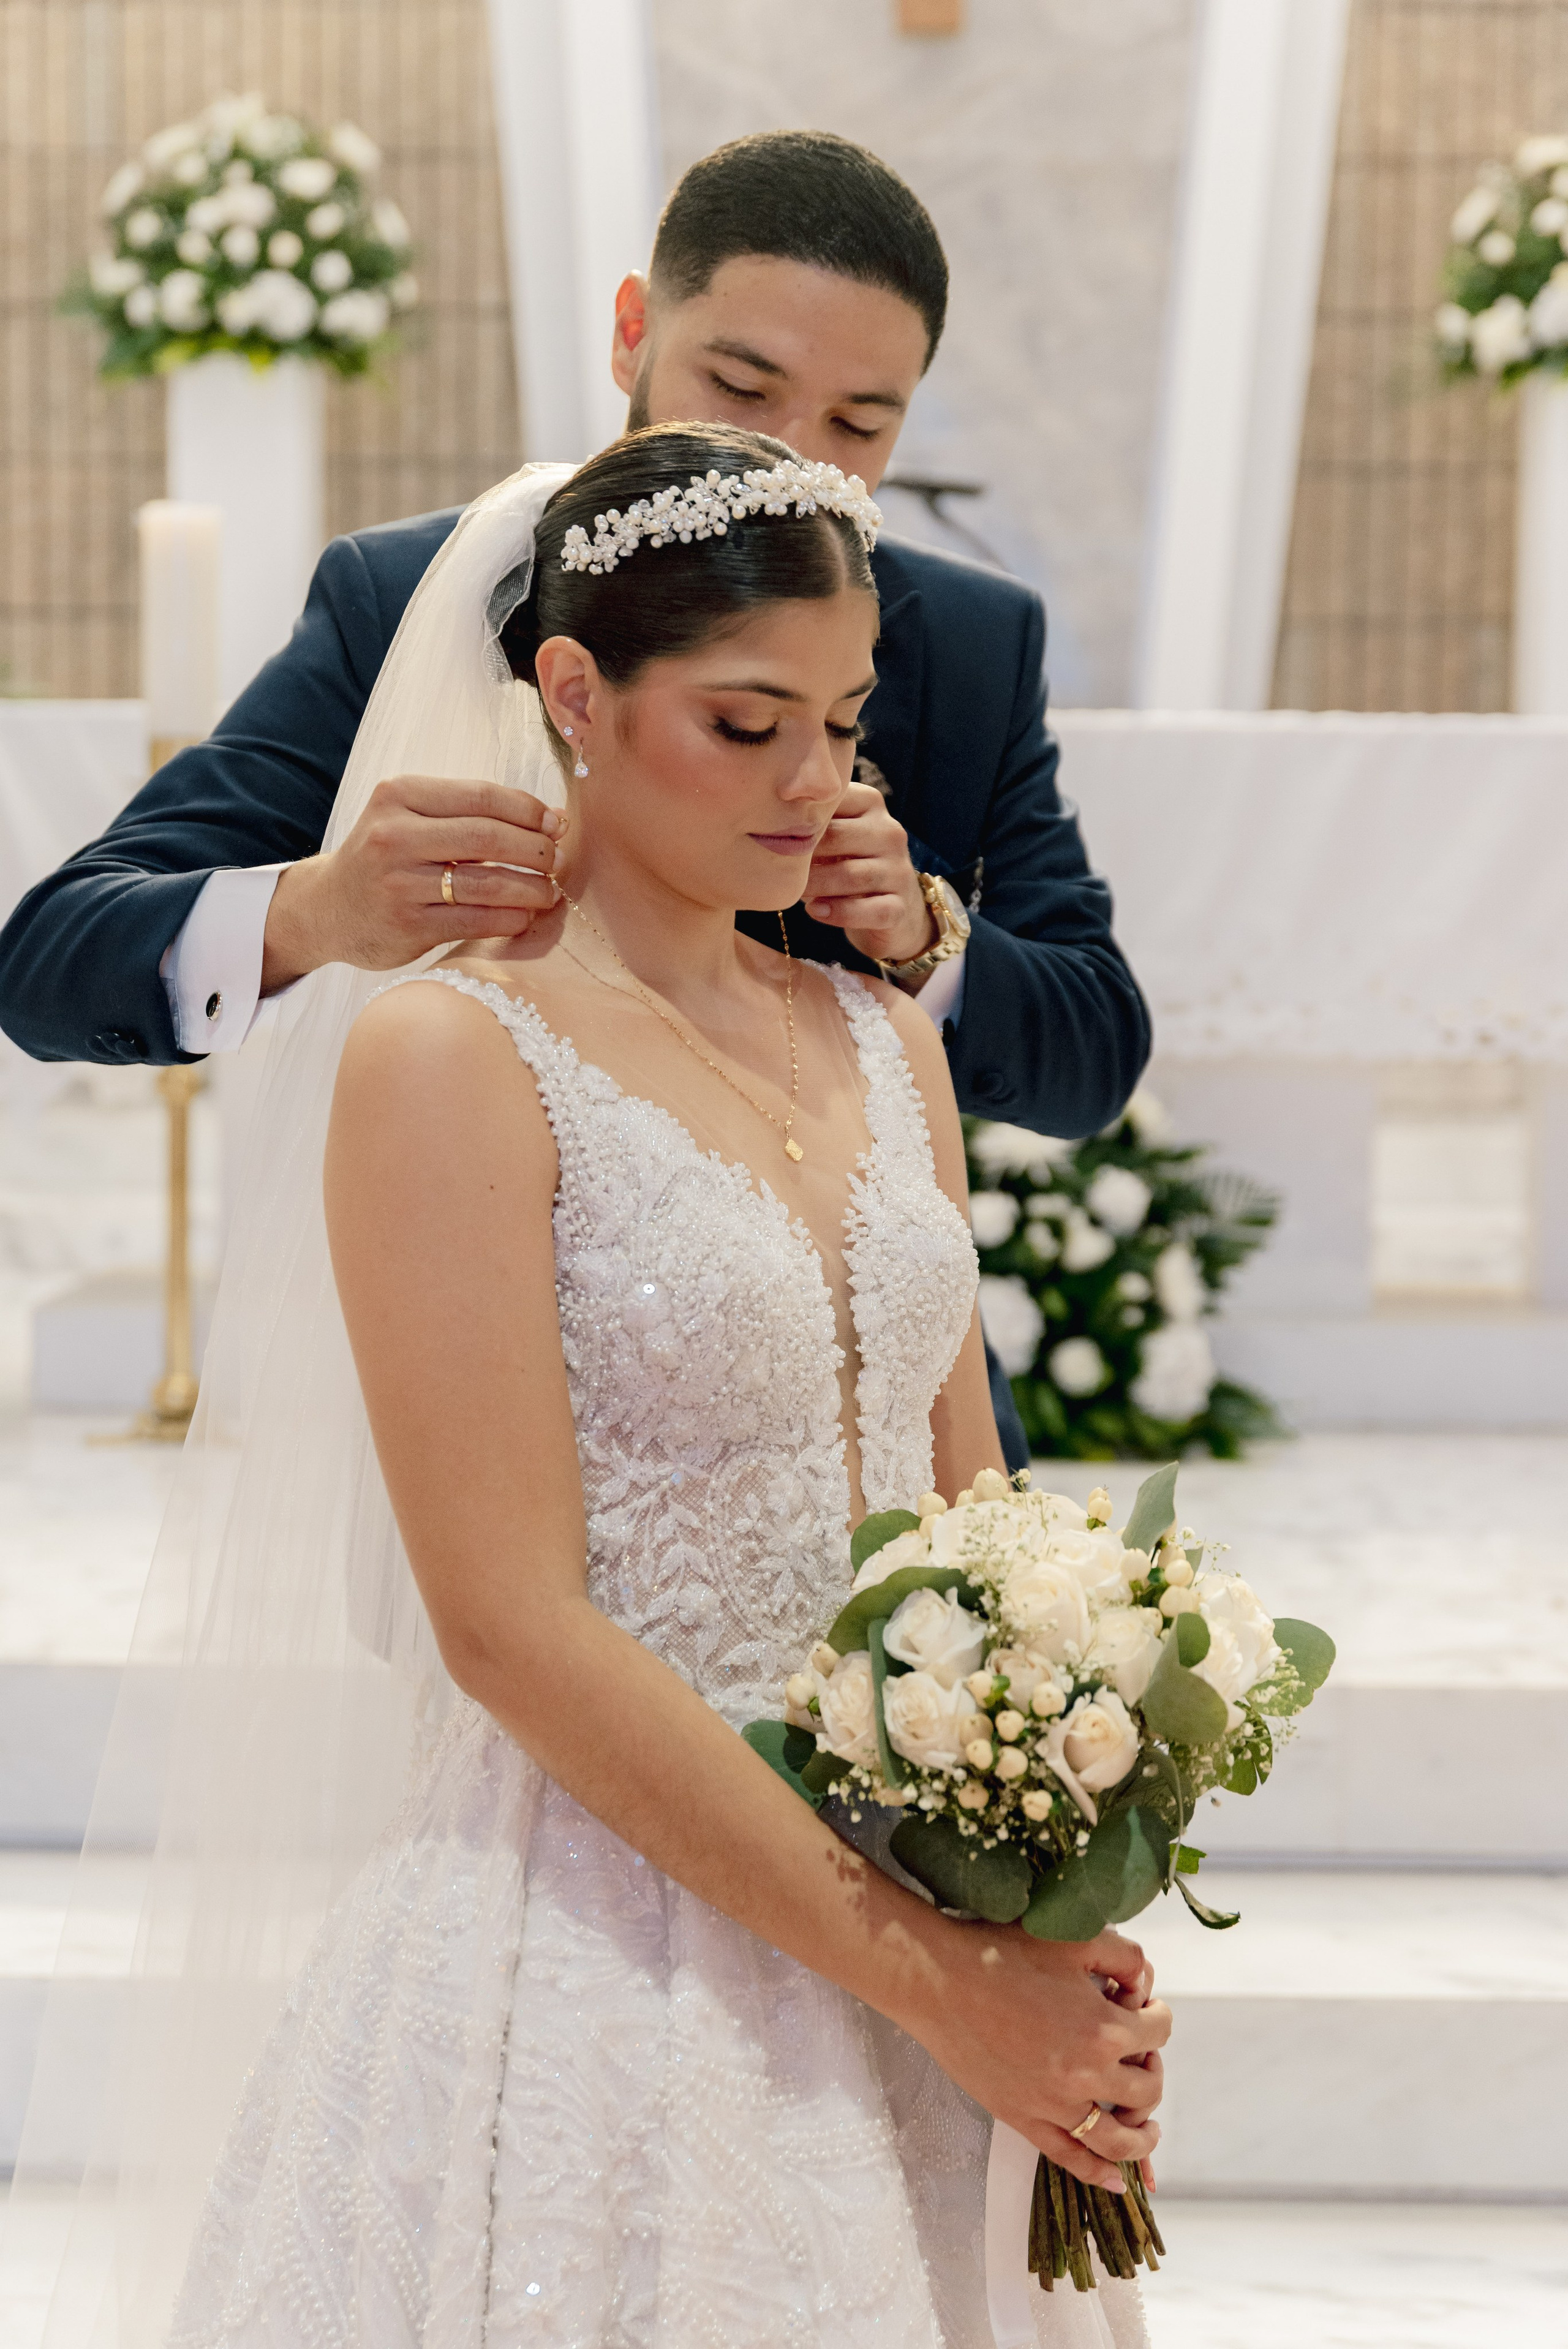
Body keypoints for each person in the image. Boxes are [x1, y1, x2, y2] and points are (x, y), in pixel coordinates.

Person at [13, 429, 1167, 2347]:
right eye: (747, 723)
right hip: (599, 1948)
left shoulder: (891, 1041)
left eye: (848, 723)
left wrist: (1045, 1897)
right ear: (573, 695)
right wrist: (938, 1983)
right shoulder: (451, 1056)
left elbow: (982, 1528)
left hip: (930, 1911)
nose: (821, 786)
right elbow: (509, 1627)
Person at [0, 129, 1150, 1471]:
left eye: (859, 423)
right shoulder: (416, 597)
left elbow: (1094, 1047)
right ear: (630, 331)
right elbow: (51, 959)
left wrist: (923, 941)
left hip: (895, 1440)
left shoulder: (962, 643)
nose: (786, 458)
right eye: (741, 382)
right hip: (498, 1437)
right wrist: (320, 909)